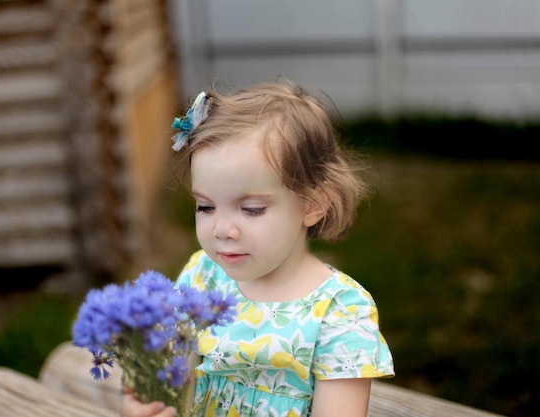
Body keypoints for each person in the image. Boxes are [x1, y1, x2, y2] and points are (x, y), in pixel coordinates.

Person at [121, 79, 394, 417]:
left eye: (251, 209)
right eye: (205, 207)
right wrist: (148, 402)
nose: (222, 230)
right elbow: (171, 377)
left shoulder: (339, 312)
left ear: (312, 204)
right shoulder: (203, 275)